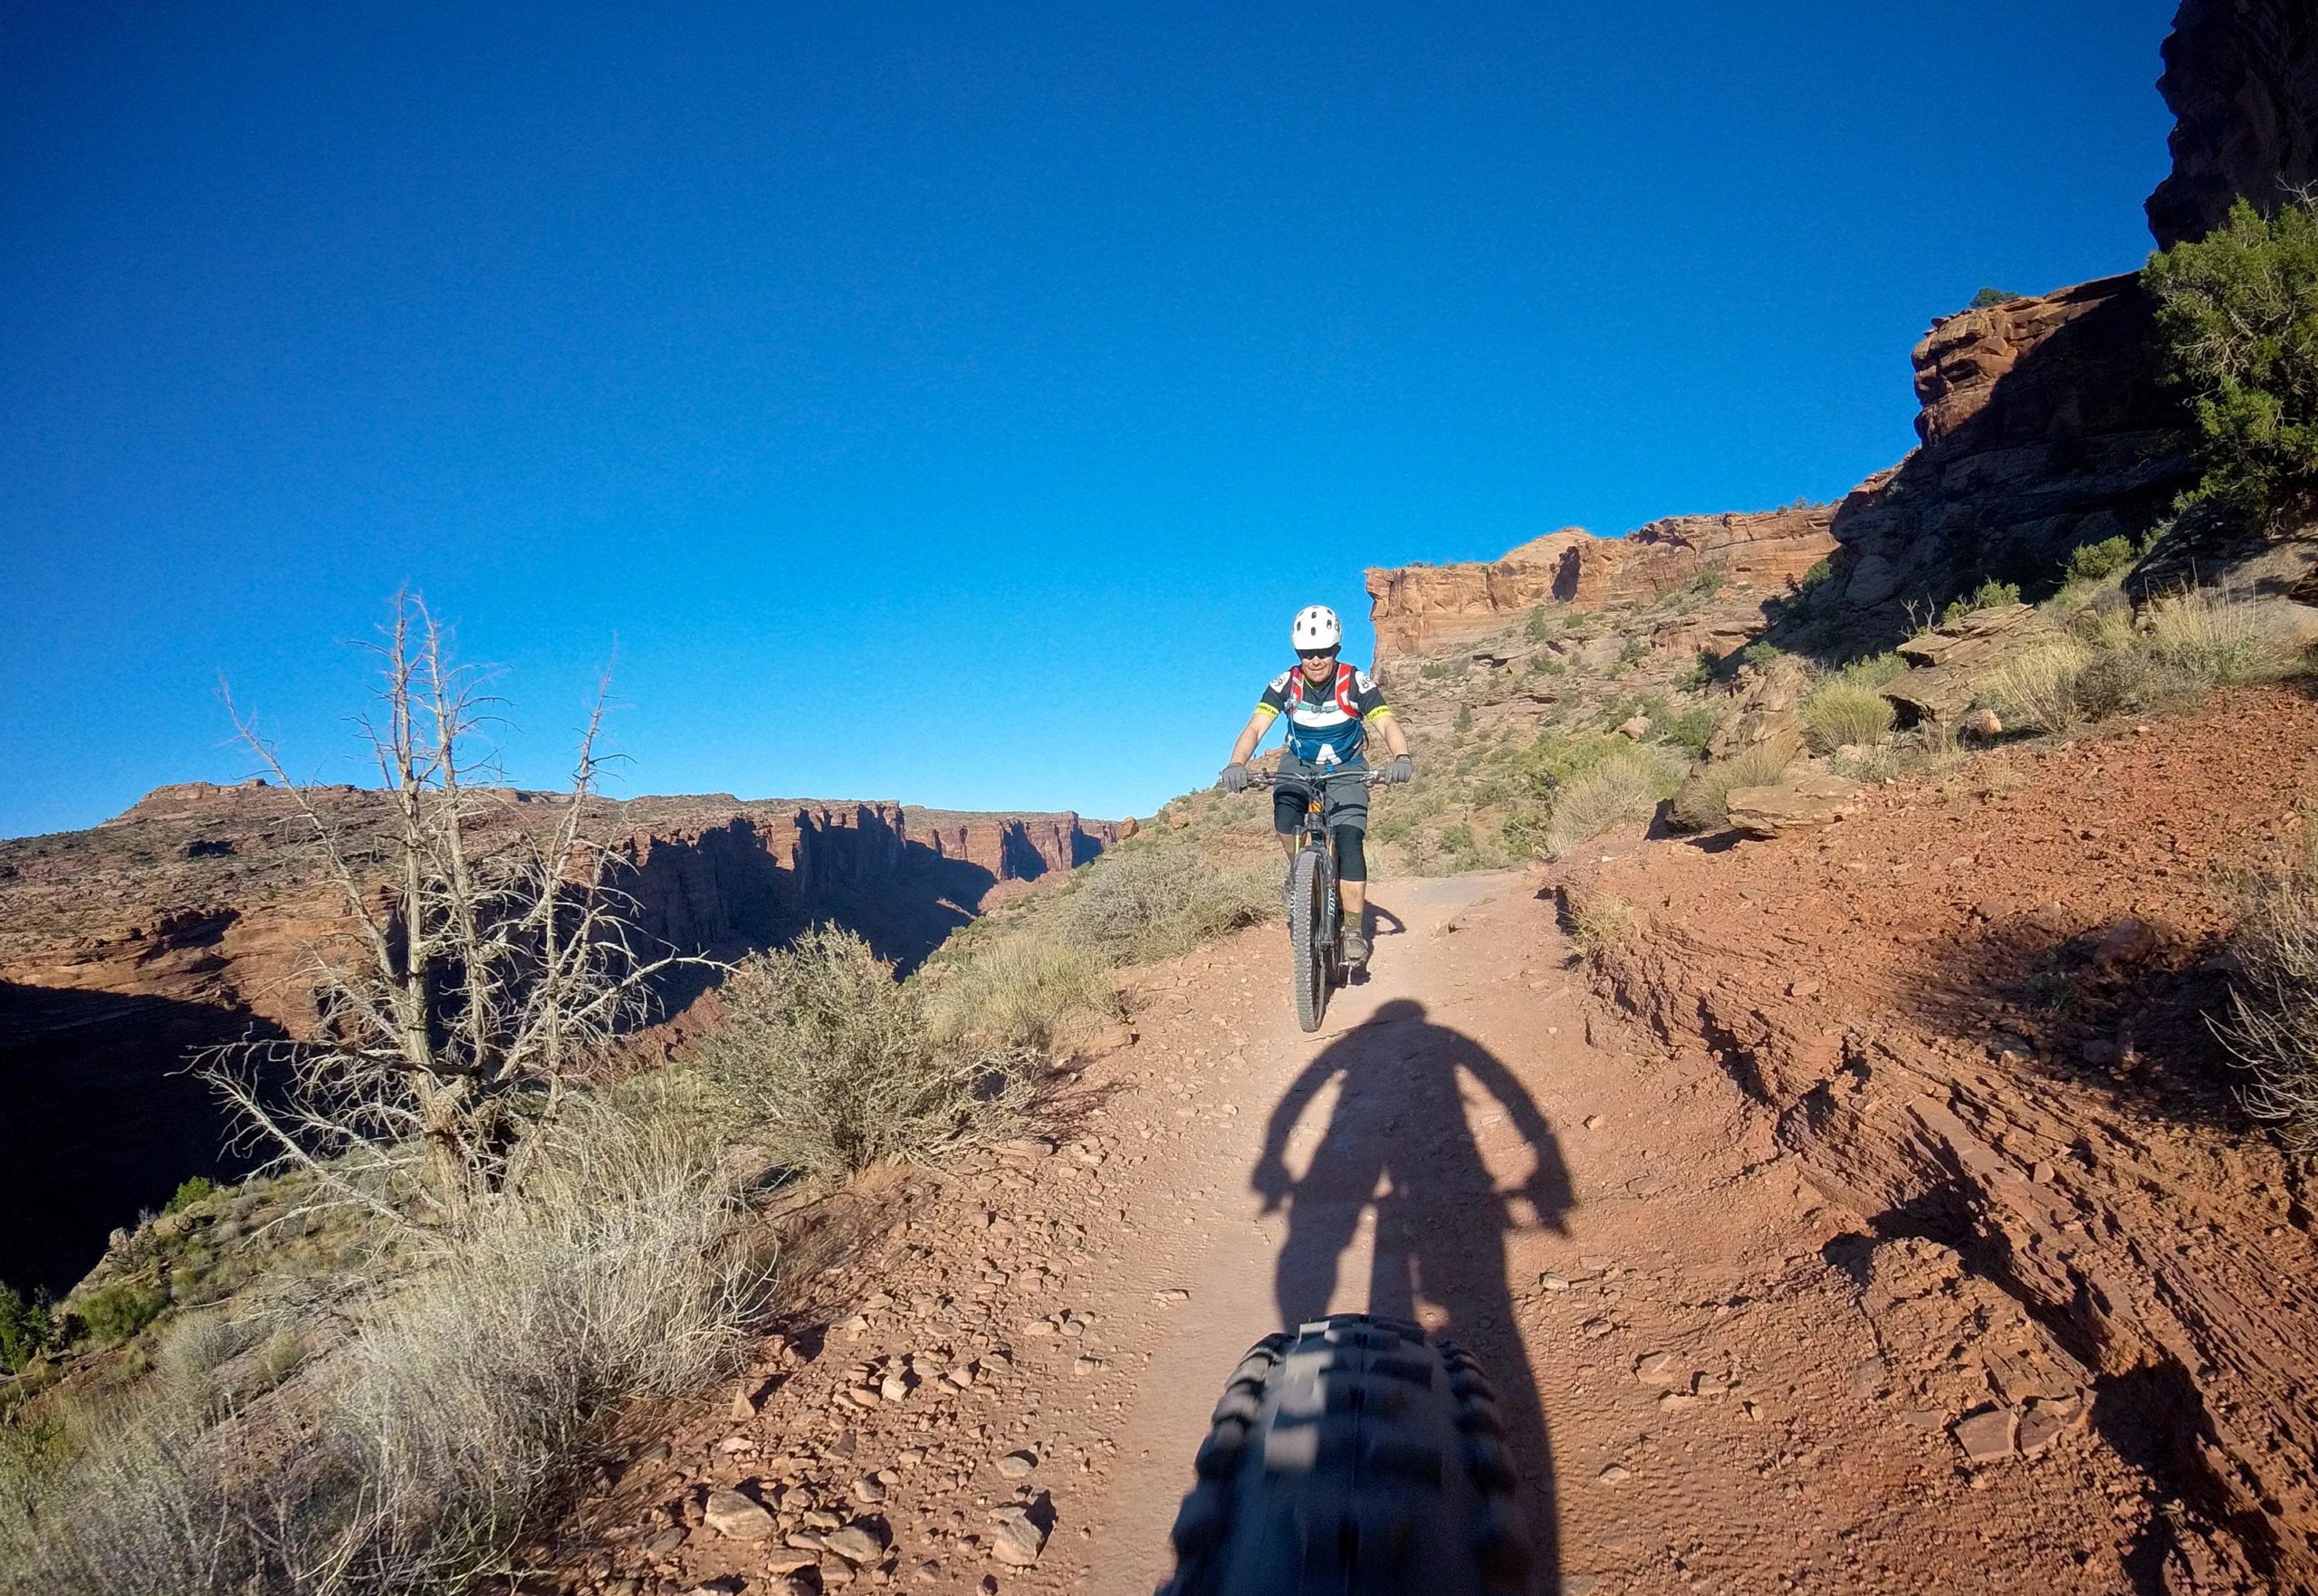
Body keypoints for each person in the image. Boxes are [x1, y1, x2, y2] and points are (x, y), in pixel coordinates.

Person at [1219, 605, 1412, 967]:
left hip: (1347, 765)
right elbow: (1256, 727)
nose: (1315, 660)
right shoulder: (1284, 684)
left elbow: (1387, 724)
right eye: (1307, 654)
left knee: (1351, 838)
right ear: (1298, 653)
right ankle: (1299, 872)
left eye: (1323, 652)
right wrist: (1237, 763)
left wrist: (1400, 757)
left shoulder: (1356, 682)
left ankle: (1353, 931)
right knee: (1284, 812)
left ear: (1336, 649)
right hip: (1300, 762)